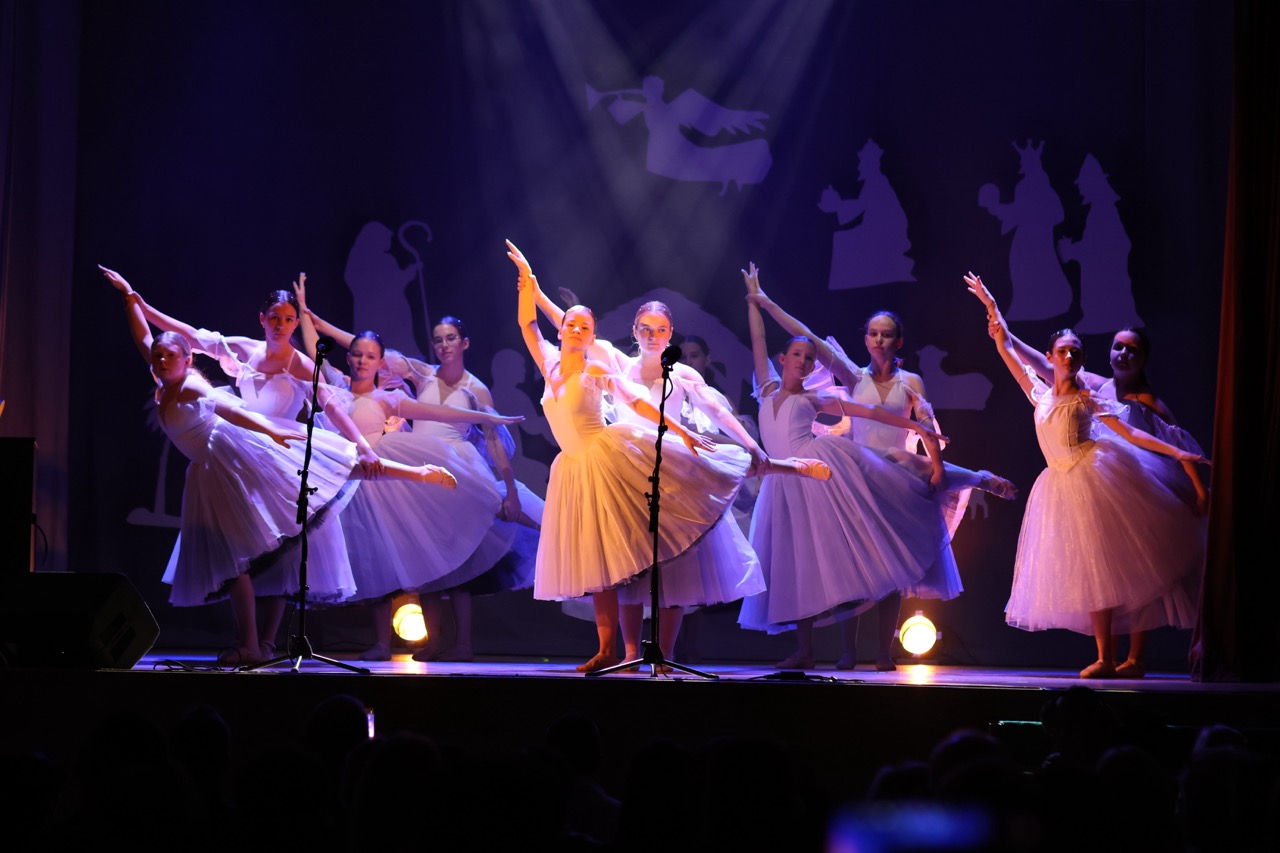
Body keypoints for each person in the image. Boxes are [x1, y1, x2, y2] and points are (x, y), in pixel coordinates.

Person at [101, 265, 456, 667]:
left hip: (254, 443)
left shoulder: (250, 372)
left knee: (334, 467)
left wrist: (307, 436)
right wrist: (134, 300)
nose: (282, 326)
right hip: (234, 453)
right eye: (275, 318)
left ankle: (416, 473)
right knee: (250, 551)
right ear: (262, 319)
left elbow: (315, 407)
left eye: (289, 319)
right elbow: (172, 337)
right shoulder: (221, 356)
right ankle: (252, 644)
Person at [508, 240, 776, 673]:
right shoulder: (601, 360)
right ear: (633, 331)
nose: (652, 336)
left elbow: (704, 409)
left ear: (671, 334)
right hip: (610, 465)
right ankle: (624, 652)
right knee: (615, 559)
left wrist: (740, 442)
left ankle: (660, 654)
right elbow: (554, 326)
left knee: (669, 566)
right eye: (645, 329)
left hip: (647, 460)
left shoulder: (657, 370)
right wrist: (531, 287)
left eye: (661, 330)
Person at [744, 264, 1019, 668]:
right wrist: (763, 302)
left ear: (898, 341)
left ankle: (978, 478)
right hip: (856, 475)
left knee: (899, 490)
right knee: (847, 561)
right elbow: (809, 339)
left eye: (886, 334)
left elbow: (924, 425)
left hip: (892, 472)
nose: (878, 340)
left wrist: (936, 461)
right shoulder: (853, 376)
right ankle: (845, 651)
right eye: (873, 334)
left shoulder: (910, 382)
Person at [963, 271, 1208, 678]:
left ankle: (1115, 658)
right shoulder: (1039, 394)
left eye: (1076, 353)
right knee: (1090, 569)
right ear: (1051, 356)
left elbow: (1130, 433)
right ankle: (1106, 656)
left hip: (1096, 476)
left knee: (1108, 566)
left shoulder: (1087, 397)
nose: (1069, 358)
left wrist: (1178, 451)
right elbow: (1005, 347)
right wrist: (991, 306)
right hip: (1060, 484)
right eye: (1062, 352)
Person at [299, 289, 541, 663]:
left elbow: (478, 431)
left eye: (451, 339)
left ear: (464, 343)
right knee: (420, 552)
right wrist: (316, 322)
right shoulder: (420, 372)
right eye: (438, 340)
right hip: (405, 466)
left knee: (465, 545)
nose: (444, 346)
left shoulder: (471, 388)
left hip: (451, 464)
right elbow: (366, 351)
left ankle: (545, 534)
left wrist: (507, 478)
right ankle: (429, 639)